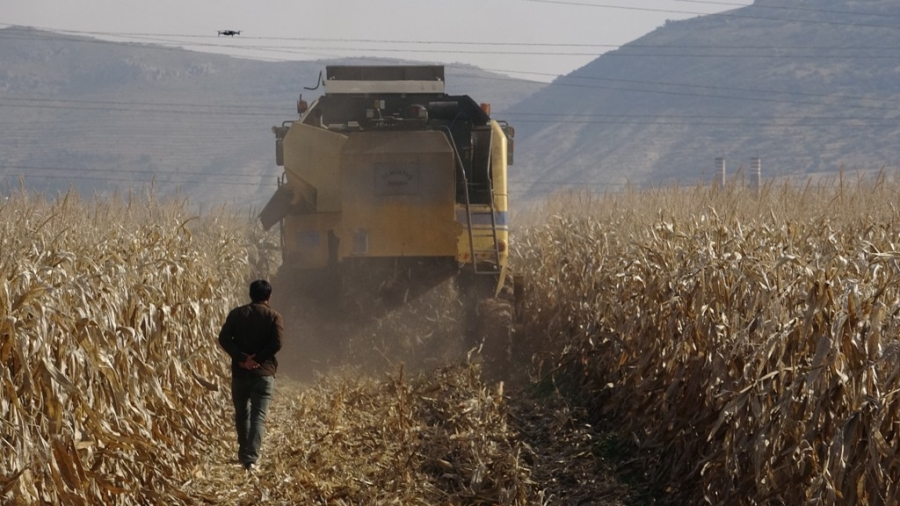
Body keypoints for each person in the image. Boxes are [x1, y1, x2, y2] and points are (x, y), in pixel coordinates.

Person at [217, 279, 284, 472]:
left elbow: (223, 338)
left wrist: (242, 358)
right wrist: (259, 359)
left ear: (250, 294)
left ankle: (243, 452)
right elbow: (277, 343)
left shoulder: (237, 314)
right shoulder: (274, 316)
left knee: (242, 414)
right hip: (264, 374)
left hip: (240, 374)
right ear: (269, 296)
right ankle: (251, 458)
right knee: (258, 417)